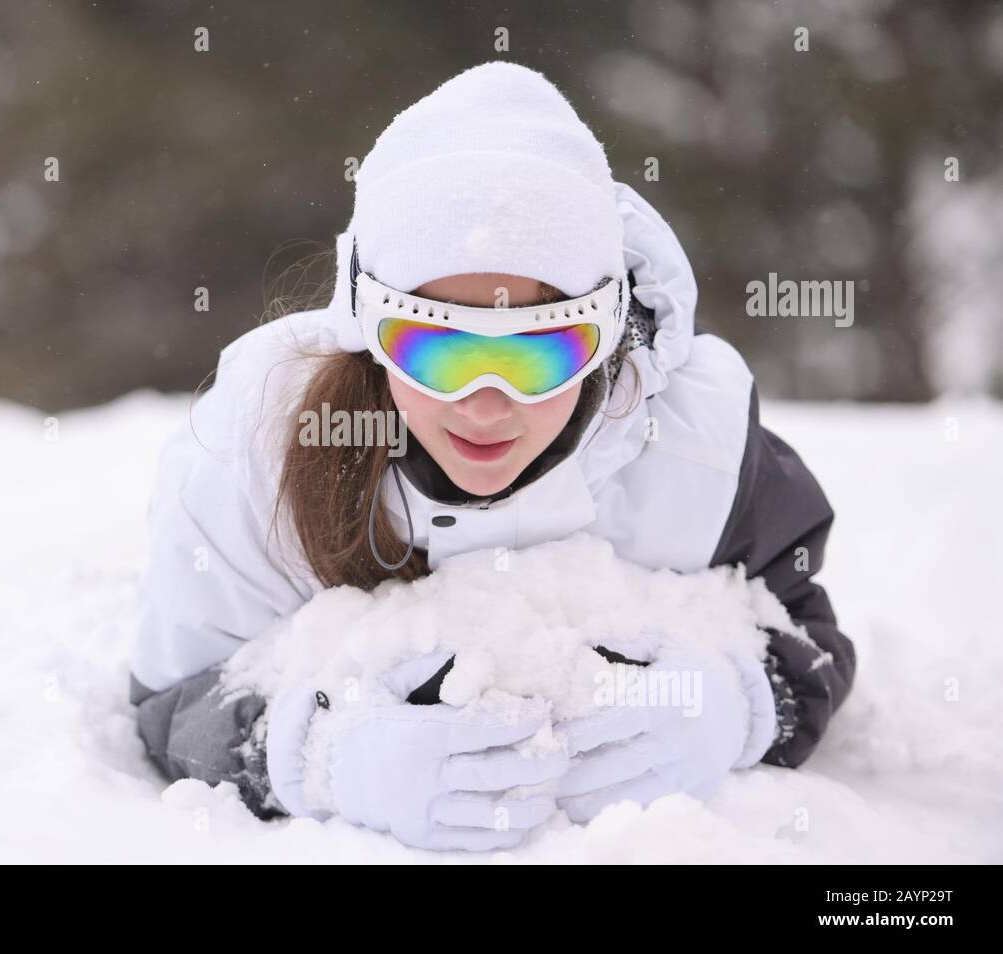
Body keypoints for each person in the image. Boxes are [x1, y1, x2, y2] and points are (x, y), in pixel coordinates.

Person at [127, 61, 855, 851]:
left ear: (606, 337)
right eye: (435, 346)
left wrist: (741, 706)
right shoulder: (260, 447)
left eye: (538, 354)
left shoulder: (694, 446)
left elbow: (809, 634)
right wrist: (315, 755)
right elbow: (170, 705)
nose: (484, 405)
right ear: (368, 331)